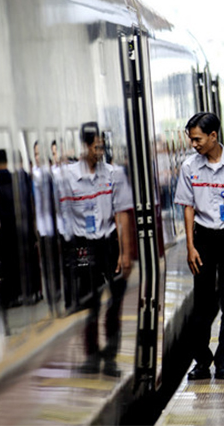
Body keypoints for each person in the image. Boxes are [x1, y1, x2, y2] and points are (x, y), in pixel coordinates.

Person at [175, 112, 224, 380]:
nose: (194, 145)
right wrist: (190, 245)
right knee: (203, 301)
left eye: (198, 139)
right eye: (191, 140)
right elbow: (187, 207)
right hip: (203, 239)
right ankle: (202, 361)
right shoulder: (189, 167)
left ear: (213, 136)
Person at [59, 123, 133, 377]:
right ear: (85, 146)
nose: (100, 151)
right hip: (83, 245)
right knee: (90, 304)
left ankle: (110, 358)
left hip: (109, 242)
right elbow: (64, 216)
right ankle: (91, 357)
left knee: (115, 301)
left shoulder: (115, 174)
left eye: (102, 146)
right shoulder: (67, 177)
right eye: (95, 146)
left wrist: (124, 253)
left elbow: (122, 214)